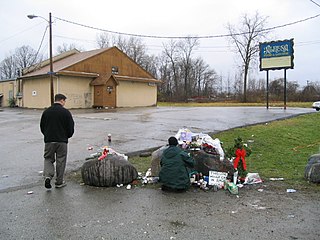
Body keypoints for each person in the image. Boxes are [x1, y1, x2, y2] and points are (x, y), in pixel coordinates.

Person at [40, 93, 74, 189]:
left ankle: (48, 176)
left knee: (48, 159)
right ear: (62, 100)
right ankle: (59, 182)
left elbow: (42, 126)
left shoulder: (46, 112)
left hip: (49, 140)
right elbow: (70, 127)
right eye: (64, 101)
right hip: (62, 141)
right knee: (61, 160)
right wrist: (67, 136)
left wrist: (47, 135)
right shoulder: (66, 112)